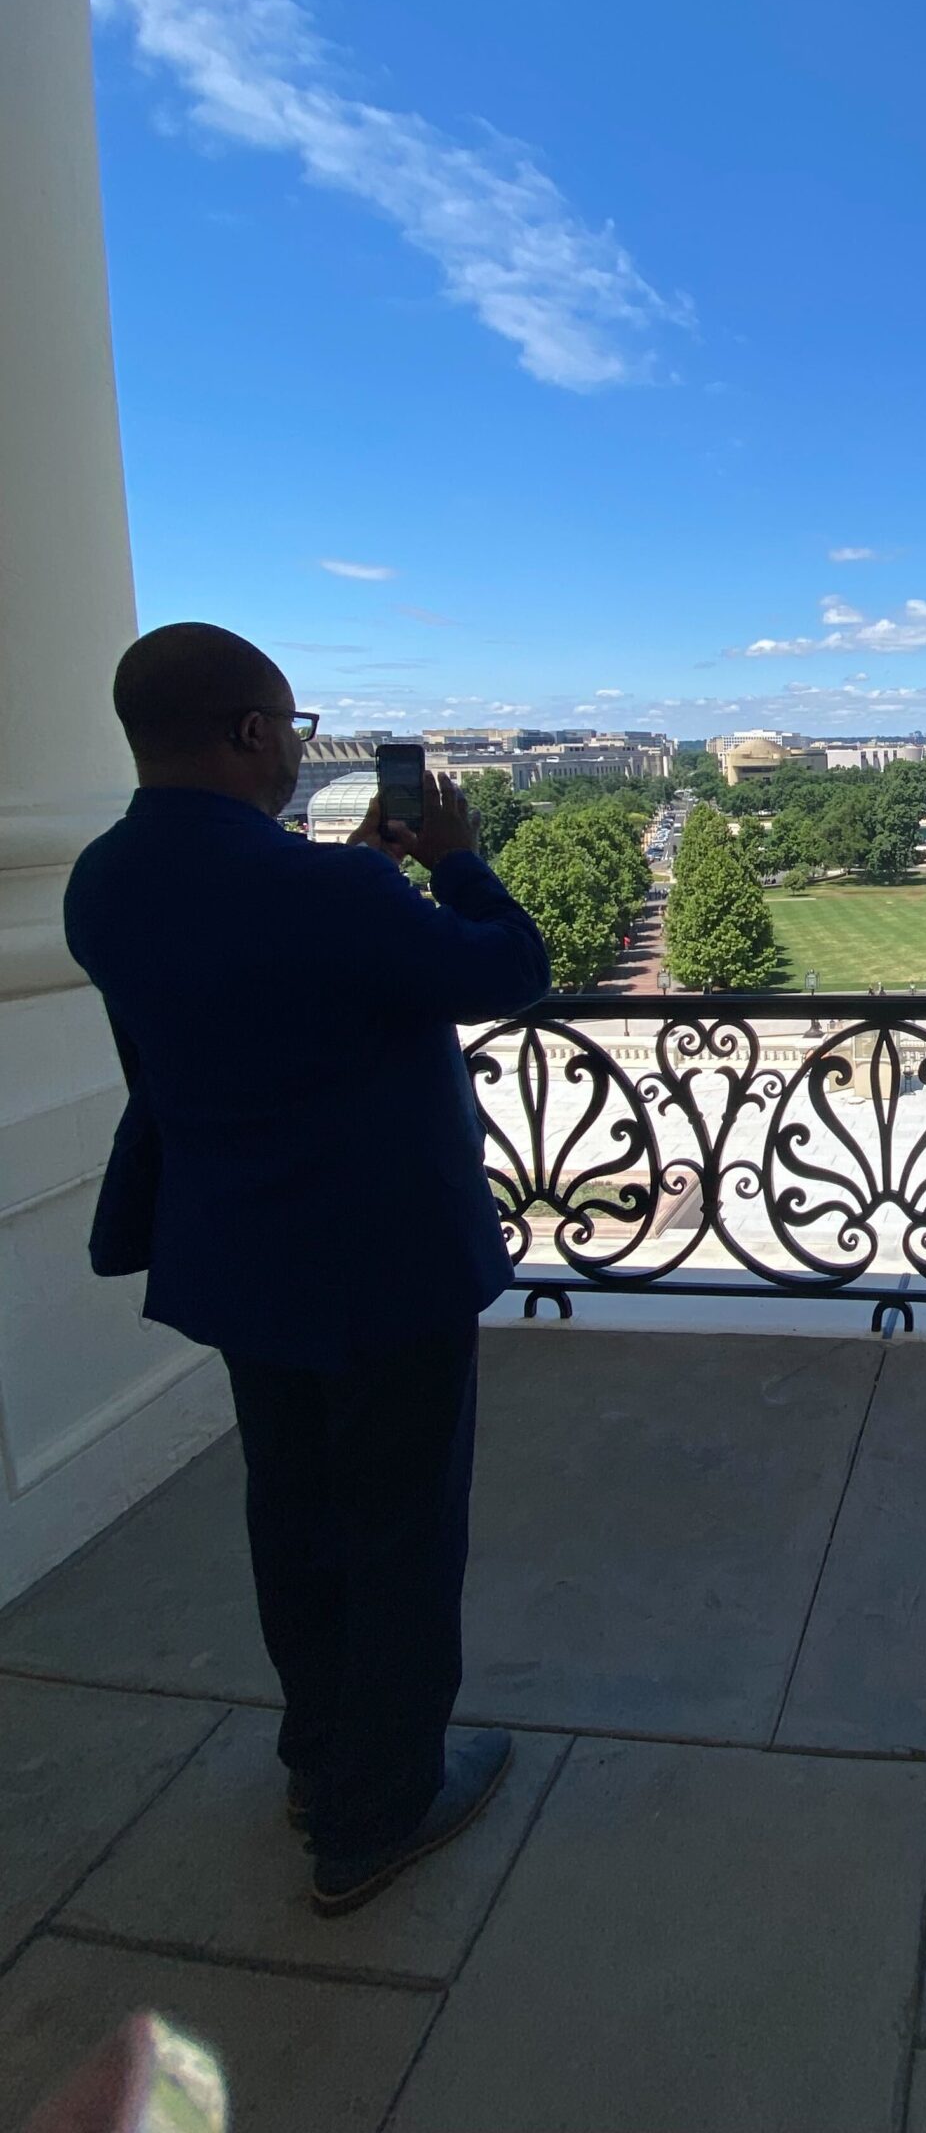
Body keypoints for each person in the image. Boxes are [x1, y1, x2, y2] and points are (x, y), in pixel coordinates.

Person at [64, 624, 551, 1914]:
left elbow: (244, 975)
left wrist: (356, 879)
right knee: (400, 1528)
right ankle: (379, 1806)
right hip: (386, 1263)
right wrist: (455, 864)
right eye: (289, 722)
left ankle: (319, 1754)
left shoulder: (103, 880)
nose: (295, 743)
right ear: (245, 732)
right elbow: (513, 972)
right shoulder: (330, 896)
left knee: (294, 1518)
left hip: (238, 1256)